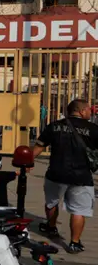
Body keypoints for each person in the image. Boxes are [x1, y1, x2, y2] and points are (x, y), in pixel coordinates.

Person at [32, 99, 97, 254]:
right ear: (81, 111)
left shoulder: (54, 126)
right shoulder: (94, 129)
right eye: (88, 109)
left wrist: (27, 163)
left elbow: (39, 147)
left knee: (52, 202)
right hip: (81, 177)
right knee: (79, 210)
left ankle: (52, 227)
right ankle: (74, 243)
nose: (91, 112)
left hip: (56, 173)